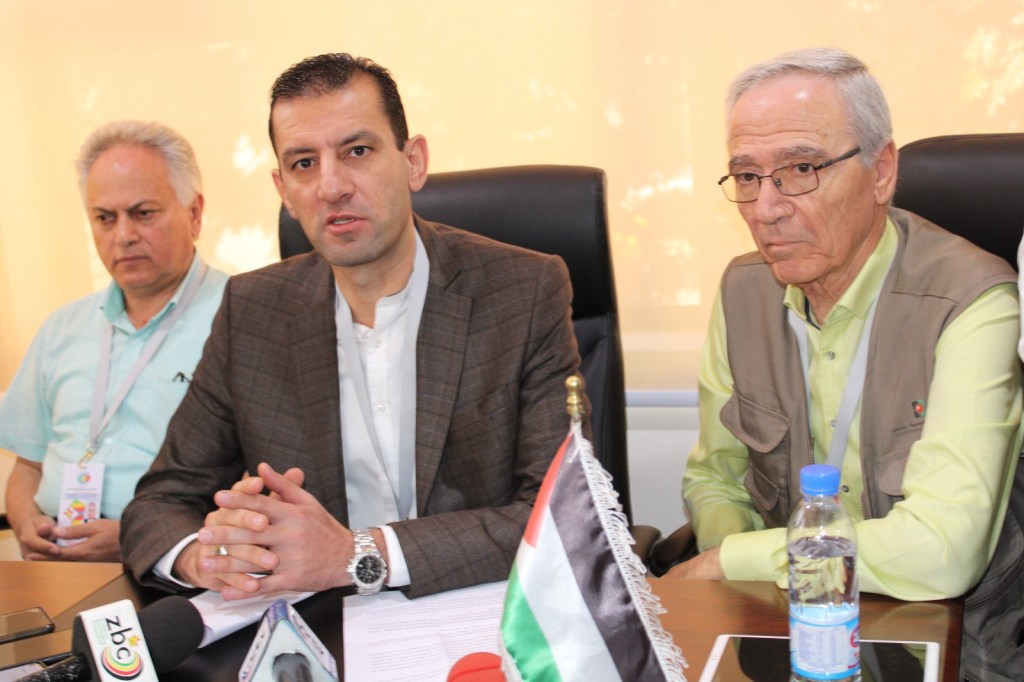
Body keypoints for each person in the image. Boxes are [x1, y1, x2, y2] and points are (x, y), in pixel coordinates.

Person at [119, 53, 581, 600]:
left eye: (357, 151)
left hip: (479, 610)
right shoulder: (253, 310)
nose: (332, 186)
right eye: (304, 163)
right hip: (321, 620)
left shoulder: (522, 291)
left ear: (413, 162)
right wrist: (208, 557)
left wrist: (358, 554)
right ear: (284, 191)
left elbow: (561, 514)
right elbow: (160, 502)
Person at [668, 48, 1024, 680]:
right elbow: (715, 477)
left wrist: (732, 561)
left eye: (800, 169)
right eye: (747, 176)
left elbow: (944, 549)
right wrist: (740, 574)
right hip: (784, 629)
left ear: (881, 172)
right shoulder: (742, 290)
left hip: (948, 643)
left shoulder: (974, 301)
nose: (766, 208)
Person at [0, 121, 229, 563]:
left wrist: (141, 538)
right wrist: (27, 523)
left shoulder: (241, 319)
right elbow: (28, 465)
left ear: (195, 213)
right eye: (105, 218)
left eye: (143, 213)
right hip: (56, 564)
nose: (123, 235)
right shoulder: (62, 327)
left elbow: (258, 487)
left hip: (175, 569)